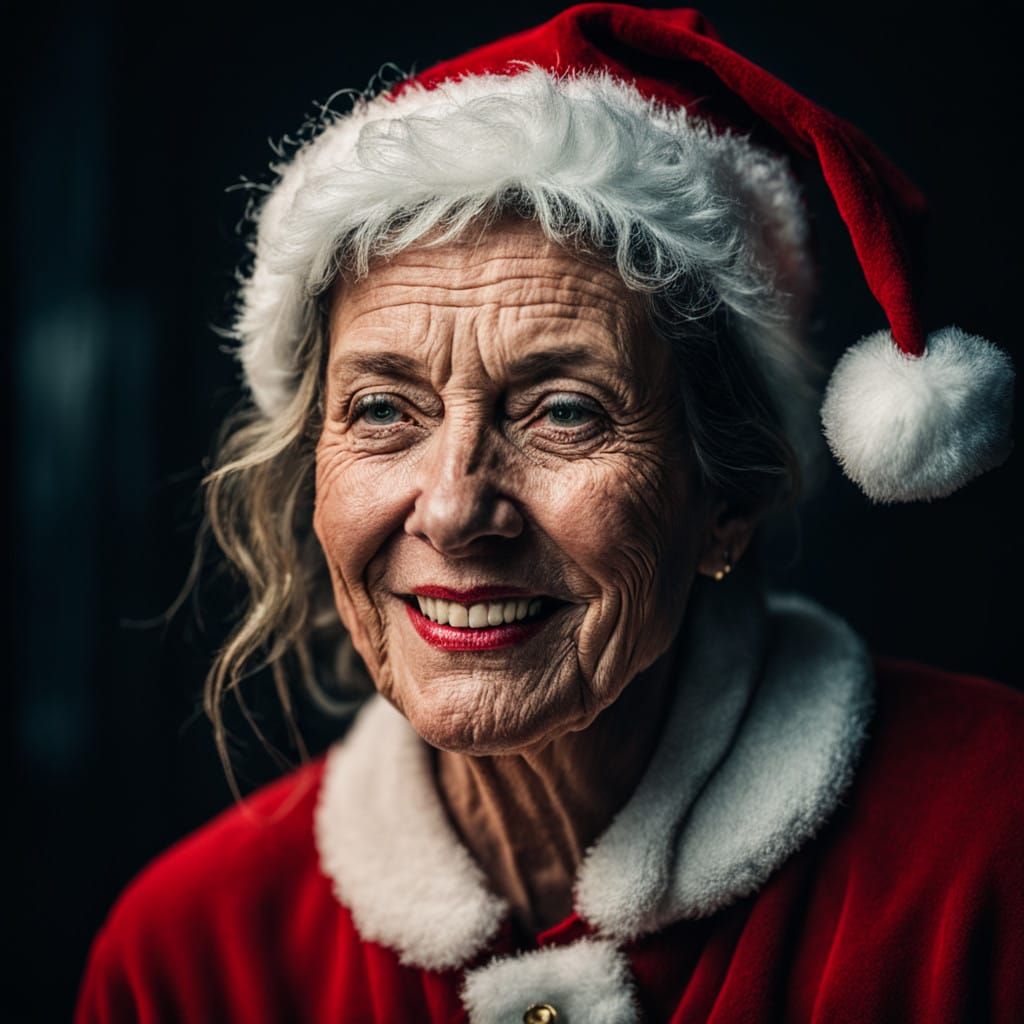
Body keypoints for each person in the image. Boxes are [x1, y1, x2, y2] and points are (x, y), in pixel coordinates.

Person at [77, 5, 1021, 1022]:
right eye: (383, 410)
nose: (453, 509)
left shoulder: (992, 847)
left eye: (565, 411)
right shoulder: (187, 955)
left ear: (728, 499)